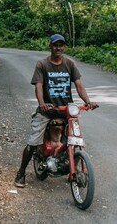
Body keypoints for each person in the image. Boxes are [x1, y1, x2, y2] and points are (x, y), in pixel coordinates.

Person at [14, 33, 97, 188]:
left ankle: (69, 166)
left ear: (64, 47)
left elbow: (79, 85)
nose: (58, 48)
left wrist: (88, 102)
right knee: (33, 142)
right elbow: (38, 86)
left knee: (73, 138)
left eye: (61, 45)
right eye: (55, 45)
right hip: (48, 110)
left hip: (66, 110)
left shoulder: (70, 64)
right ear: (50, 46)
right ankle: (21, 173)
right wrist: (42, 103)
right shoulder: (42, 64)